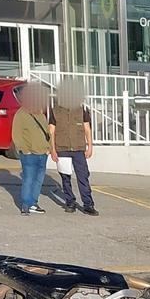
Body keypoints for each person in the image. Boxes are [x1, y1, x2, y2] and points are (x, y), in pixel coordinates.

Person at [49, 79, 98, 216]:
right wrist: (52, 150)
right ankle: (70, 202)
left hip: (78, 149)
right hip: (62, 148)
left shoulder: (82, 110)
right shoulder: (55, 111)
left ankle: (88, 204)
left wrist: (90, 146)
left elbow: (87, 129)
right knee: (66, 178)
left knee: (83, 177)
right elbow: (51, 131)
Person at [11, 82, 52, 216]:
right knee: (28, 179)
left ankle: (33, 203)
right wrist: (24, 149)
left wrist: (49, 148)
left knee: (39, 179)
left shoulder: (40, 113)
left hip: (42, 153)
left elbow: (47, 132)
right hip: (29, 154)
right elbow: (16, 134)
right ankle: (25, 204)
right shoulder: (21, 114)